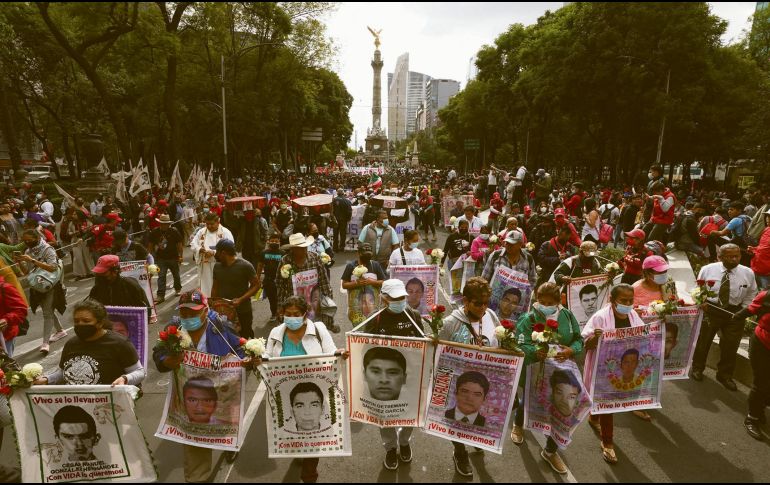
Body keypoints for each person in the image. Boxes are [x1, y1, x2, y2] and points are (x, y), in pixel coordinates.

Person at [153, 289, 245, 483]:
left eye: (193, 312)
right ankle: (197, 478)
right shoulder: (174, 329)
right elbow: (159, 354)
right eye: (184, 312)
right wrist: (167, 361)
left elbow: (239, 349)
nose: (188, 317)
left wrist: (246, 360)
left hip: (221, 390)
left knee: (223, 426)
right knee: (195, 437)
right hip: (190, 394)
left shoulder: (220, 326)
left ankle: (228, 446)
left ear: (205, 310)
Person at [262, 295, 347, 483]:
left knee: (312, 435)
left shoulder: (318, 329)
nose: (291, 317)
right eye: (288, 314)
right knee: (294, 430)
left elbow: (331, 351)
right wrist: (257, 359)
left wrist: (339, 353)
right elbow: (267, 356)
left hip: (314, 390)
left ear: (305, 314)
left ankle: (309, 475)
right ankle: (300, 450)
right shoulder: (276, 333)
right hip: (286, 395)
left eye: (296, 314)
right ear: (282, 314)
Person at [511, 281, 584, 469]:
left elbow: (578, 339)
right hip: (536, 371)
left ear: (558, 302)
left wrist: (571, 350)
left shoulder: (567, 317)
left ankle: (550, 450)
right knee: (529, 399)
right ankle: (518, 424)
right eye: (541, 301)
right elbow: (520, 342)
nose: (545, 305)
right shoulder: (528, 318)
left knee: (562, 409)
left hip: (562, 374)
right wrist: (535, 351)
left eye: (550, 303)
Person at [358, 279, 424, 471]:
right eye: (394, 298)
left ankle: (404, 442)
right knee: (384, 413)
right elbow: (363, 346)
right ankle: (390, 447)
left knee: (409, 410)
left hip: (409, 376)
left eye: (402, 297)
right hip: (384, 378)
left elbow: (423, 342)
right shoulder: (375, 318)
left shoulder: (413, 315)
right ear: (384, 298)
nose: (399, 301)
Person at [438, 277, 499, 477]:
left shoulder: (491, 316)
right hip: (458, 384)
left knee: (479, 416)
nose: (483, 308)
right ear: (465, 300)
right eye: (478, 303)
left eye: (486, 303)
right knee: (456, 419)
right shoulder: (450, 323)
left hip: (485, 383)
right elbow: (438, 354)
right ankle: (460, 452)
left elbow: (502, 343)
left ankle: (475, 438)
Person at [582, 284, 646, 464]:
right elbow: (586, 344)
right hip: (604, 369)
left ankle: (594, 417)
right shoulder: (600, 317)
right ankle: (607, 442)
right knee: (608, 403)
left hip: (624, 368)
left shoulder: (633, 316)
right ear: (612, 300)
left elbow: (644, 337)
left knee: (606, 402)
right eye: (623, 300)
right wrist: (595, 337)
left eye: (630, 300)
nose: (627, 304)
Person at [691, 244, 757, 391]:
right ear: (720, 257)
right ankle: (697, 368)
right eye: (730, 256)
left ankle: (724, 375)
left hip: (735, 313)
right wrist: (701, 301)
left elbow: (752, 293)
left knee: (731, 345)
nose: (734, 259)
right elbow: (697, 289)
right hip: (711, 310)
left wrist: (743, 310)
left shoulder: (748, 273)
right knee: (704, 341)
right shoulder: (707, 269)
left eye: (737, 256)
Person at [34, 299, 145, 386]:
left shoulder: (120, 344)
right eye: (77, 321)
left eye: (86, 321)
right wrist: (46, 379)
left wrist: (125, 379)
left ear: (100, 323)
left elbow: (139, 372)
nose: (80, 324)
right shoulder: (71, 344)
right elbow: (63, 372)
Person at [16, 229, 66, 354]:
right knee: (47, 310)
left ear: (38, 238)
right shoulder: (28, 251)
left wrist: (32, 261)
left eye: (29, 240)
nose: (27, 243)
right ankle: (60, 331)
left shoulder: (48, 249)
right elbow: (27, 272)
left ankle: (45, 343)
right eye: (25, 241)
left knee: (47, 313)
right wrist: (20, 262)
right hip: (37, 286)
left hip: (50, 284)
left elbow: (53, 267)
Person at [277, 233, 336, 332]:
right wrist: (280, 306)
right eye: (299, 248)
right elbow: (280, 285)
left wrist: (328, 301)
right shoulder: (285, 261)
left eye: (305, 247)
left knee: (315, 330)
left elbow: (324, 281)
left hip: (315, 303)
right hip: (294, 306)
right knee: (296, 331)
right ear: (293, 249)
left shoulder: (315, 257)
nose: (304, 250)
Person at [732, 290, 770, 440]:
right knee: (761, 383)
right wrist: (736, 316)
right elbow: (749, 309)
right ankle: (751, 419)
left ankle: (759, 409)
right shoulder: (766, 295)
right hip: (762, 344)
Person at [212, 239, 260, 339]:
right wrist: (213, 305)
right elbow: (215, 287)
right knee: (225, 338)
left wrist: (240, 299)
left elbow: (256, 285)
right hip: (223, 312)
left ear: (223, 253)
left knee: (243, 339)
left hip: (243, 311)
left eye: (217, 252)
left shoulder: (245, 266)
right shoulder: (217, 267)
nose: (215, 255)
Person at [190, 212, 234, 297]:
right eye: (207, 224)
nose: (209, 226)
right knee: (206, 287)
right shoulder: (201, 231)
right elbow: (193, 244)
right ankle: (207, 301)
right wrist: (200, 249)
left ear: (218, 222)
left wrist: (214, 252)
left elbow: (231, 247)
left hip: (220, 264)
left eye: (212, 224)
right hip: (205, 265)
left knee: (220, 286)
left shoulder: (225, 232)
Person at [147, 214, 184, 303]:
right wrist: (149, 257)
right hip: (160, 258)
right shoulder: (155, 232)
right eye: (163, 223)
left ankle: (177, 288)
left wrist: (180, 256)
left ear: (169, 224)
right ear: (160, 223)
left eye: (166, 223)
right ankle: (160, 295)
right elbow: (150, 245)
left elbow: (179, 244)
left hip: (173, 257)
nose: (165, 225)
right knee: (161, 276)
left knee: (176, 275)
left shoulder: (174, 231)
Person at [255, 231, 283, 324]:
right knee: (272, 299)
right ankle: (274, 314)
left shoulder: (283, 253)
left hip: (280, 281)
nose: (274, 242)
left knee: (280, 298)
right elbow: (260, 266)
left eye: (276, 241)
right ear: (268, 241)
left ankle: (281, 313)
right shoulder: (264, 253)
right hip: (268, 281)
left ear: (279, 242)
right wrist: (257, 278)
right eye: (272, 241)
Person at [0, 274, 29, 357]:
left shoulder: (5, 288)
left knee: (5, 363)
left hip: (5, 337)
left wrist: (6, 320)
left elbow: (21, 310)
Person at [749, 208, 770, 290]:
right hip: (757, 267)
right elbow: (763, 246)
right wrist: (754, 249)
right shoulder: (767, 229)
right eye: (767, 216)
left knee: (765, 293)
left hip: (767, 272)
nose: (767, 218)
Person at [333, 187, 352, 252]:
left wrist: (332, 218)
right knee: (343, 234)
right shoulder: (347, 201)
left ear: (337, 193)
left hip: (335, 219)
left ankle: (335, 248)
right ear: (343, 193)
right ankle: (342, 247)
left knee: (335, 234)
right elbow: (349, 211)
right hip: (343, 220)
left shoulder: (333, 200)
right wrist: (348, 218)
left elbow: (331, 210)